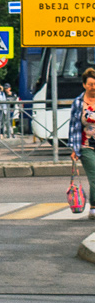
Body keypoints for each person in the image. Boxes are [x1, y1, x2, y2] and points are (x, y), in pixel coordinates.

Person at [67, 67, 95, 220]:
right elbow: (74, 126)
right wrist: (74, 149)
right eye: (90, 84)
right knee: (94, 177)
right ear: (84, 85)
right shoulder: (78, 102)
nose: (93, 87)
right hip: (86, 146)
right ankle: (94, 208)